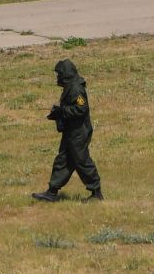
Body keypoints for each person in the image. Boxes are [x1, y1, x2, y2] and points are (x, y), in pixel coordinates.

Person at [30, 58, 101, 202]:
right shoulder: (69, 87)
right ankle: (52, 192)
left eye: (59, 74)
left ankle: (96, 193)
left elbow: (81, 109)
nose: (57, 77)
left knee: (82, 161)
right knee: (62, 160)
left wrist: (62, 111)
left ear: (66, 74)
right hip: (71, 131)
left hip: (79, 133)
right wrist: (58, 114)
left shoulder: (76, 88)